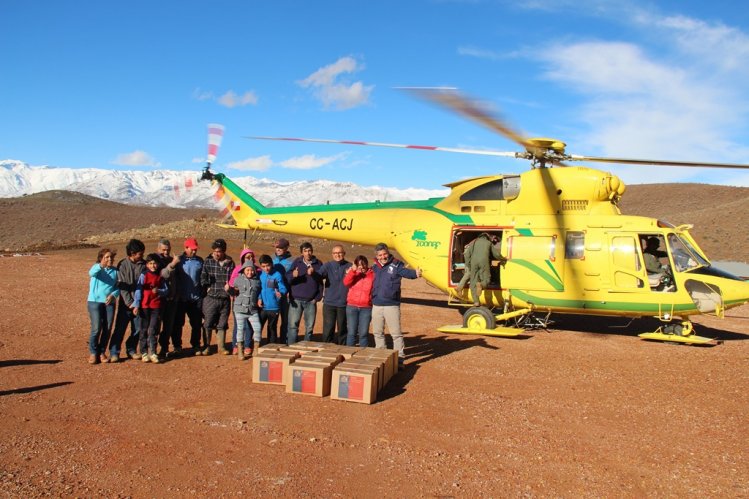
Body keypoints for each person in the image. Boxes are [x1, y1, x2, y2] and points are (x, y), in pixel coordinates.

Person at [371, 243, 421, 368]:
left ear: (388, 253)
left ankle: (399, 360)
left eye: (385, 254)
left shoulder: (397, 265)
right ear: (376, 256)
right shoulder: (374, 267)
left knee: (396, 334)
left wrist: (416, 273)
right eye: (380, 255)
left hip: (391, 305)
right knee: (377, 333)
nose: (383, 257)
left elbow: (407, 273)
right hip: (376, 305)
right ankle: (380, 357)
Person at [109, 239, 145, 362]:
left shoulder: (144, 264)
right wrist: (130, 303)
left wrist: (137, 303)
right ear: (132, 253)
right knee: (120, 328)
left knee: (138, 328)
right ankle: (114, 352)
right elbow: (122, 286)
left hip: (139, 303)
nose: (142, 256)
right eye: (140, 253)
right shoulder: (122, 265)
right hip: (126, 304)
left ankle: (131, 349)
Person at [200, 238, 235, 355]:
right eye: (215, 250)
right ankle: (206, 346)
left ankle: (221, 346)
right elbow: (202, 277)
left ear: (224, 251)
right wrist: (207, 285)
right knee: (208, 322)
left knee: (222, 323)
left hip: (225, 298)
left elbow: (233, 278)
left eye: (219, 251)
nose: (216, 253)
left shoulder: (230, 262)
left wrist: (230, 287)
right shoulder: (208, 261)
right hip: (211, 297)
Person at [133, 253, 168, 364]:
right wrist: (136, 304)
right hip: (144, 306)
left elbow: (166, 290)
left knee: (153, 329)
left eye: (155, 263)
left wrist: (158, 291)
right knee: (143, 329)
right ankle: (144, 352)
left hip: (156, 306)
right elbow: (138, 290)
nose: (153, 266)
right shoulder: (144, 275)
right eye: (150, 263)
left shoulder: (160, 276)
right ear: (147, 265)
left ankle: (153, 352)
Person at [285, 241, 323, 344]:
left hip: (311, 301)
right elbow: (288, 278)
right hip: (296, 300)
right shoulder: (297, 262)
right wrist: (293, 275)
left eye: (309, 250)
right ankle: (291, 347)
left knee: (309, 327)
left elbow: (321, 281)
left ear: (312, 251)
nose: (308, 253)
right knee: (293, 326)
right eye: (305, 251)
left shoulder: (318, 263)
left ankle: (306, 347)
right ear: (302, 253)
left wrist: (317, 298)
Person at [86, 248, 119, 364]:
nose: (109, 259)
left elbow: (118, 286)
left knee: (108, 327)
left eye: (111, 257)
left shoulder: (116, 271)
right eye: (107, 257)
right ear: (101, 258)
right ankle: (93, 352)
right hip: (94, 302)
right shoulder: (97, 268)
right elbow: (91, 273)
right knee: (96, 328)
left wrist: (114, 295)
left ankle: (101, 352)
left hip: (109, 303)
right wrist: (101, 265)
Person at [173, 237, 205, 356]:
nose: (194, 251)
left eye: (196, 249)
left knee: (196, 324)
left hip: (196, 299)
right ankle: (177, 346)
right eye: (192, 249)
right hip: (181, 298)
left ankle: (196, 345)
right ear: (185, 248)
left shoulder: (200, 261)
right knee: (178, 324)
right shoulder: (179, 261)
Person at [228, 248, 258, 357]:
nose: (250, 259)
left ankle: (247, 345)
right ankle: (236, 345)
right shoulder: (237, 270)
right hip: (238, 302)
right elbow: (232, 286)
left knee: (249, 324)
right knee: (238, 324)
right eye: (247, 257)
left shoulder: (257, 270)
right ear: (242, 258)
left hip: (251, 303)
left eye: (251, 257)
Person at [320, 244, 352, 344]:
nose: (337, 255)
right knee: (328, 329)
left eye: (340, 253)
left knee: (342, 329)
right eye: (335, 253)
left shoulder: (349, 266)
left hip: (343, 303)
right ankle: (326, 350)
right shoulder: (327, 265)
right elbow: (318, 275)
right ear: (332, 254)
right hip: (329, 303)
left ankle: (341, 350)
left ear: (344, 254)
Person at [154, 239, 179, 359]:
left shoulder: (171, 260)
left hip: (171, 299)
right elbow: (163, 274)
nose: (166, 252)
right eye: (163, 250)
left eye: (168, 250)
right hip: (159, 299)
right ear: (158, 249)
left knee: (168, 326)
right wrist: (173, 264)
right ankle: (152, 349)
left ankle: (164, 348)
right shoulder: (154, 260)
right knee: (155, 325)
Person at [232, 259, 262, 360]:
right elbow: (233, 290)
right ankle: (240, 351)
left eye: (252, 270)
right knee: (240, 329)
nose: (250, 272)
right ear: (244, 270)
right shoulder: (237, 280)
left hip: (252, 309)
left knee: (257, 328)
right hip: (239, 308)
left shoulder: (257, 281)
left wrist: (259, 299)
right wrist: (229, 289)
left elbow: (259, 292)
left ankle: (256, 349)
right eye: (248, 270)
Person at [466, 233, 506, 306]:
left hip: (473, 263)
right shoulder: (488, 243)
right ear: (487, 238)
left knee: (473, 282)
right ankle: (482, 285)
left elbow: (467, 254)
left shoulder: (474, 242)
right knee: (486, 279)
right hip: (484, 262)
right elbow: (496, 254)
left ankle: (476, 301)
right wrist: (503, 259)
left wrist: (468, 265)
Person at [343, 255, 374, 347]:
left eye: (363, 264)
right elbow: (346, 282)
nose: (362, 267)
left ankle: (362, 356)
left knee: (363, 334)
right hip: (352, 306)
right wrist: (353, 271)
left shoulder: (372, 274)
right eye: (359, 265)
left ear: (367, 264)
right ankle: (349, 355)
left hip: (366, 307)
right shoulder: (353, 273)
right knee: (351, 333)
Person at [272, 238, 294, 344]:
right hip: (273, 294)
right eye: (277, 247)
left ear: (286, 248)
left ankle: (283, 341)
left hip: (286, 295)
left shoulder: (291, 262)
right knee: (273, 319)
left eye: (280, 247)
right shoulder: (272, 260)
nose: (278, 249)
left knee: (285, 320)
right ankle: (272, 342)